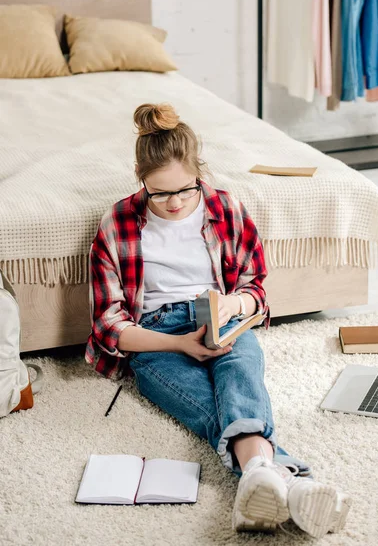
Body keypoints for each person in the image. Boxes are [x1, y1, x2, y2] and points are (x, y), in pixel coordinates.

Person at [86, 103, 352, 538]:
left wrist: (232, 305)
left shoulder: (226, 208)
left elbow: (257, 292)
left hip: (219, 314)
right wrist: (179, 344)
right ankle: (290, 482)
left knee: (239, 374)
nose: (174, 203)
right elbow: (109, 325)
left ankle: (262, 478)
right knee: (213, 409)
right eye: (160, 193)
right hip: (155, 335)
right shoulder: (116, 223)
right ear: (140, 176)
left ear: (199, 172)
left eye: (186, 190)